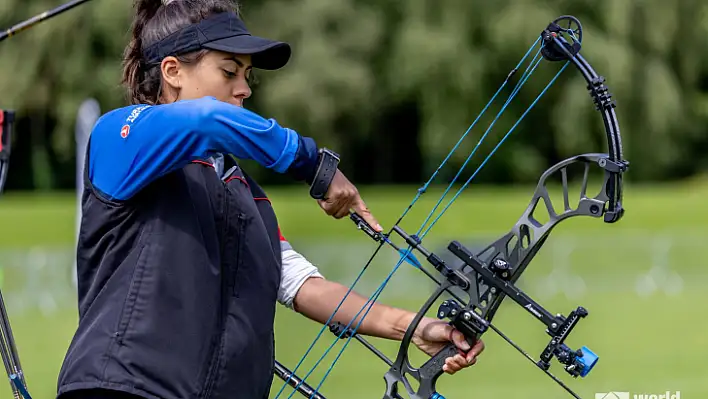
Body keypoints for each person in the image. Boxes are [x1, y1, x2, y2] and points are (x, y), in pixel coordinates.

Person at [56, 1, 485, 398]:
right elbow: (206, 119)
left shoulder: (245, 194)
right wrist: (312, 163)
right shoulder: (119, 139)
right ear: (172, 71)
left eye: (247, 76)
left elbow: (301, 285)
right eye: (229, 72)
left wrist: (411, 327)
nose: (244, 89)